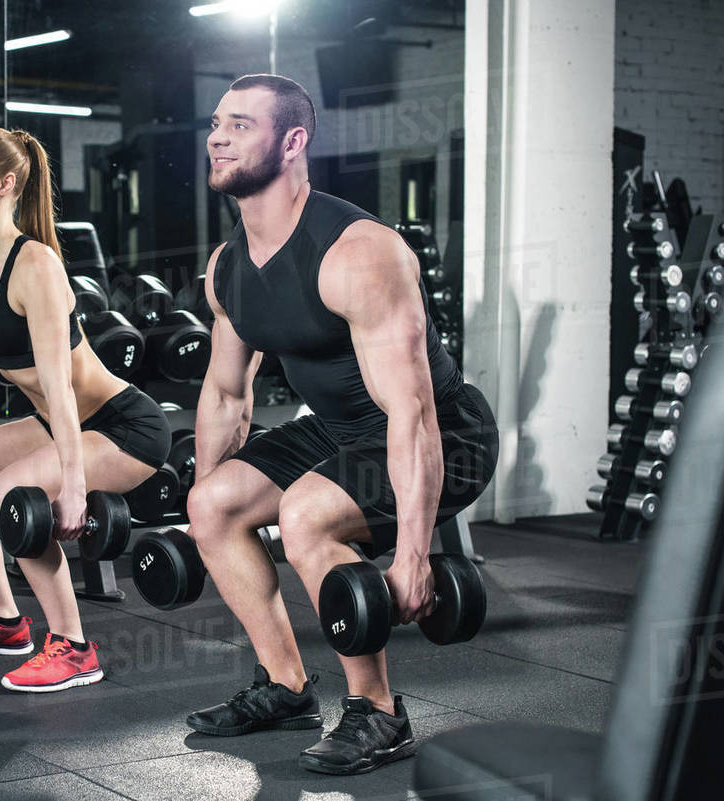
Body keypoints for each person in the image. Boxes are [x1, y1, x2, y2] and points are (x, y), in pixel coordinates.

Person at [183, 74, 499, 775]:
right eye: (216, 123)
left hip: (444, 431)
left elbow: (413, 411)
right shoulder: (227, 266)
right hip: (337, 428)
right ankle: (286, 686)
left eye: (241, 125)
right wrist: (207, 519)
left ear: (294, 141)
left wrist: (414, 552)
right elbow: (226, 392)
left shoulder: (357, 252)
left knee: (304, 514)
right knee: (210, 504)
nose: (218, 137)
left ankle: (379, 712)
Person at [0, 127, 171, 692]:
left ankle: (75, 646)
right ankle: (6, 622)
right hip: (58, 423)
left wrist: (74, 487)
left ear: (5, 183)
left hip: (122, 426)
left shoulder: (35, 264)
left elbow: (59, 385)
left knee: (11, 492)